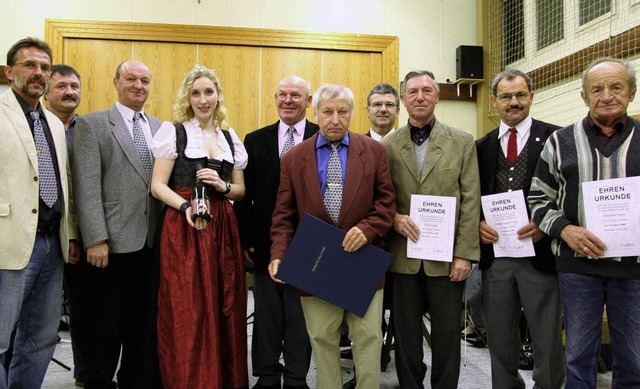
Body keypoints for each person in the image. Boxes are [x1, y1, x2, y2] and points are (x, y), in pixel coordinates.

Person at [269, 84, 396, 389]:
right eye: (327, 112)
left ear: (352, 113)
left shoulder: (374, 151)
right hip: (317, 263)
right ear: (316, 113)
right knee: (322, 339)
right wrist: (278, 253)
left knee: (368, 339)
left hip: (362, 260)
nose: (335, 119)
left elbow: (386, 203)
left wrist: (366, 231)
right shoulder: (294, 159)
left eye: (342, 111)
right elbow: (284, 214)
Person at [529, 57, 640, 388]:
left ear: (632, 92)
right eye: (597, 88)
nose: (606, 95)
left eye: (616, 87)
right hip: (577, 268)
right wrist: (565, 228)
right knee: (577, 354)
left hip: (634, 270)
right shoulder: (559, 141)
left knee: (634, 356)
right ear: (584, 96)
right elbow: (538, 199)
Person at [150, 64, 249, 389]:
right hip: (184, 228)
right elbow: (157, 185)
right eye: (196, 93)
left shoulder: (230, 137)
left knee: (224, 304)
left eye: (209, 92)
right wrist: (185, 206)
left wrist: (222, 187)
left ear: (218, 95)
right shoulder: (174, 131)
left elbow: (239, 190)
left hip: (223, 227)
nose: (203, 99)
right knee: (188, 308)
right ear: (187, 97)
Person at [382, 70, 480, 389]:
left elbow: (470, 201)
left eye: (426, 90)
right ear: (404, 100)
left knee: (448, 334)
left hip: (446, 259)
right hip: (403, 256)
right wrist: (395, 218)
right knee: (406, 333)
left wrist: (464, 255)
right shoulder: (387, 145)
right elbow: (380, 197)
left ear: (437, 96)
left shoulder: (462, 141)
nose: (420, 96)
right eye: (413, 91)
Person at [73, 59, 163, 389]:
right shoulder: (93, 125)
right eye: (131, 79)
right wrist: (95, 238)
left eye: (144, 80)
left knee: (142, 325)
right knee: (106, 324)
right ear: (116, 82)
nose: (138, 85)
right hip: (110, 244)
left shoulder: (159, 127)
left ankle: (134, 381)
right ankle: (98, 381)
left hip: (151, 243)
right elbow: (86, 186)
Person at [476, 69, 564, 389]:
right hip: (496, 257)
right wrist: (477, 225)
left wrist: (547, 223)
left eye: (520, 95)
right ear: (494, 101)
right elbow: (471, 196)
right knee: (499, 337)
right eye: (506, 96)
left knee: (547, 338)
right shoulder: (481, 146)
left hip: (539, 256)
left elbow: (570, 194)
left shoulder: (556, 138)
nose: (514, 102)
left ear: (531, 96)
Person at [0, 37, 79, 388]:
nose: (38, 73)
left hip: (51, 246)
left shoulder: (53, 123)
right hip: (10, 243)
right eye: (29, 65)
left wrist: (71, 234)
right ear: (9, 71)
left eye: (45, 67)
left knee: (41, 338)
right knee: (1, 338)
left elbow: (64, 184)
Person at [234, 75, 317, 389]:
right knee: (266, 316)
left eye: (296, 95)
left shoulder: (321, 136)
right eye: (282, 94)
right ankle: (267, 376)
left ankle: (296, 377)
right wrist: (244, 241)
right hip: (265, 243)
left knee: (299, 317)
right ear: (275, 98)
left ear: (308, 101)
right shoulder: (255, 140)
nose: (288, 100)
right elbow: (245, 196)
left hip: (309, 243)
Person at [44, 63, 90, 386]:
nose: (69, 92)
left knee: (84, 311)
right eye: (61, 86)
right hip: (40, 235)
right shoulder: (36, 127)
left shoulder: (89, 130)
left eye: (74, 86)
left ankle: (85, 374)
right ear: (46, 91)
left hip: (82, 238)